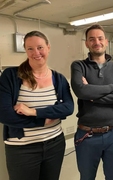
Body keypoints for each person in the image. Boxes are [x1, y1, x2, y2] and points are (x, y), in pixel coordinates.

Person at [0, 30, 74, 180]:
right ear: (25, 50)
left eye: (40, 47)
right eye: (30, 48)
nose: (36, 52)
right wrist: (44, 120)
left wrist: (34, 112)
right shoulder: (10, 76)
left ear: (48, 47)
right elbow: (4, 114)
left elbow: (68, 108)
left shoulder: (58, 79)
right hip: (22, 149)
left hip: (55, 144)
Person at [70, 24, 113, 180]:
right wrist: (112, 87)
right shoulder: (79, 66)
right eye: (92, 39)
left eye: (100, 38)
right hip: (87, 135)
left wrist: (92, 94)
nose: (96, 42)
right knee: (87, 177)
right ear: (87, 43)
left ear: (106, 41)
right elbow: (81, 91)